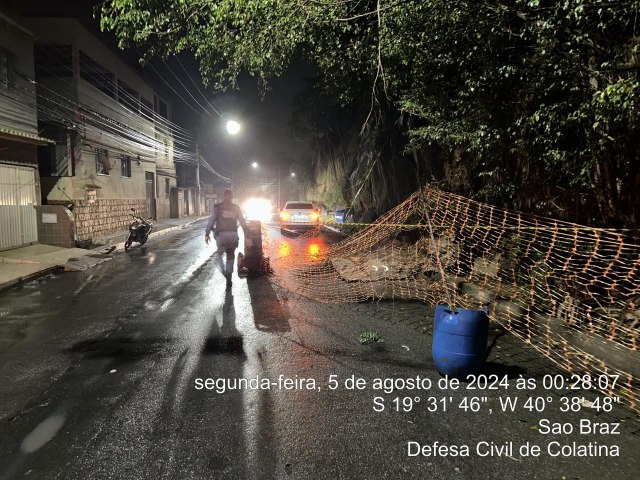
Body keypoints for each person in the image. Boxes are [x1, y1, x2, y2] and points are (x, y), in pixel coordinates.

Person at [205, 189, 247, 288]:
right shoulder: (236, 208)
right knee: (230, 256)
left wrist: (207, 233)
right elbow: (242, 221)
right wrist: (247, 233)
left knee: (219, 255)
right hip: (232, 235)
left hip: (221, 236)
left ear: (224, 196)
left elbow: (211, 220)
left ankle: (224, 272)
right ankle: (229, 275)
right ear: (232, 197)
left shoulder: (217, 207)